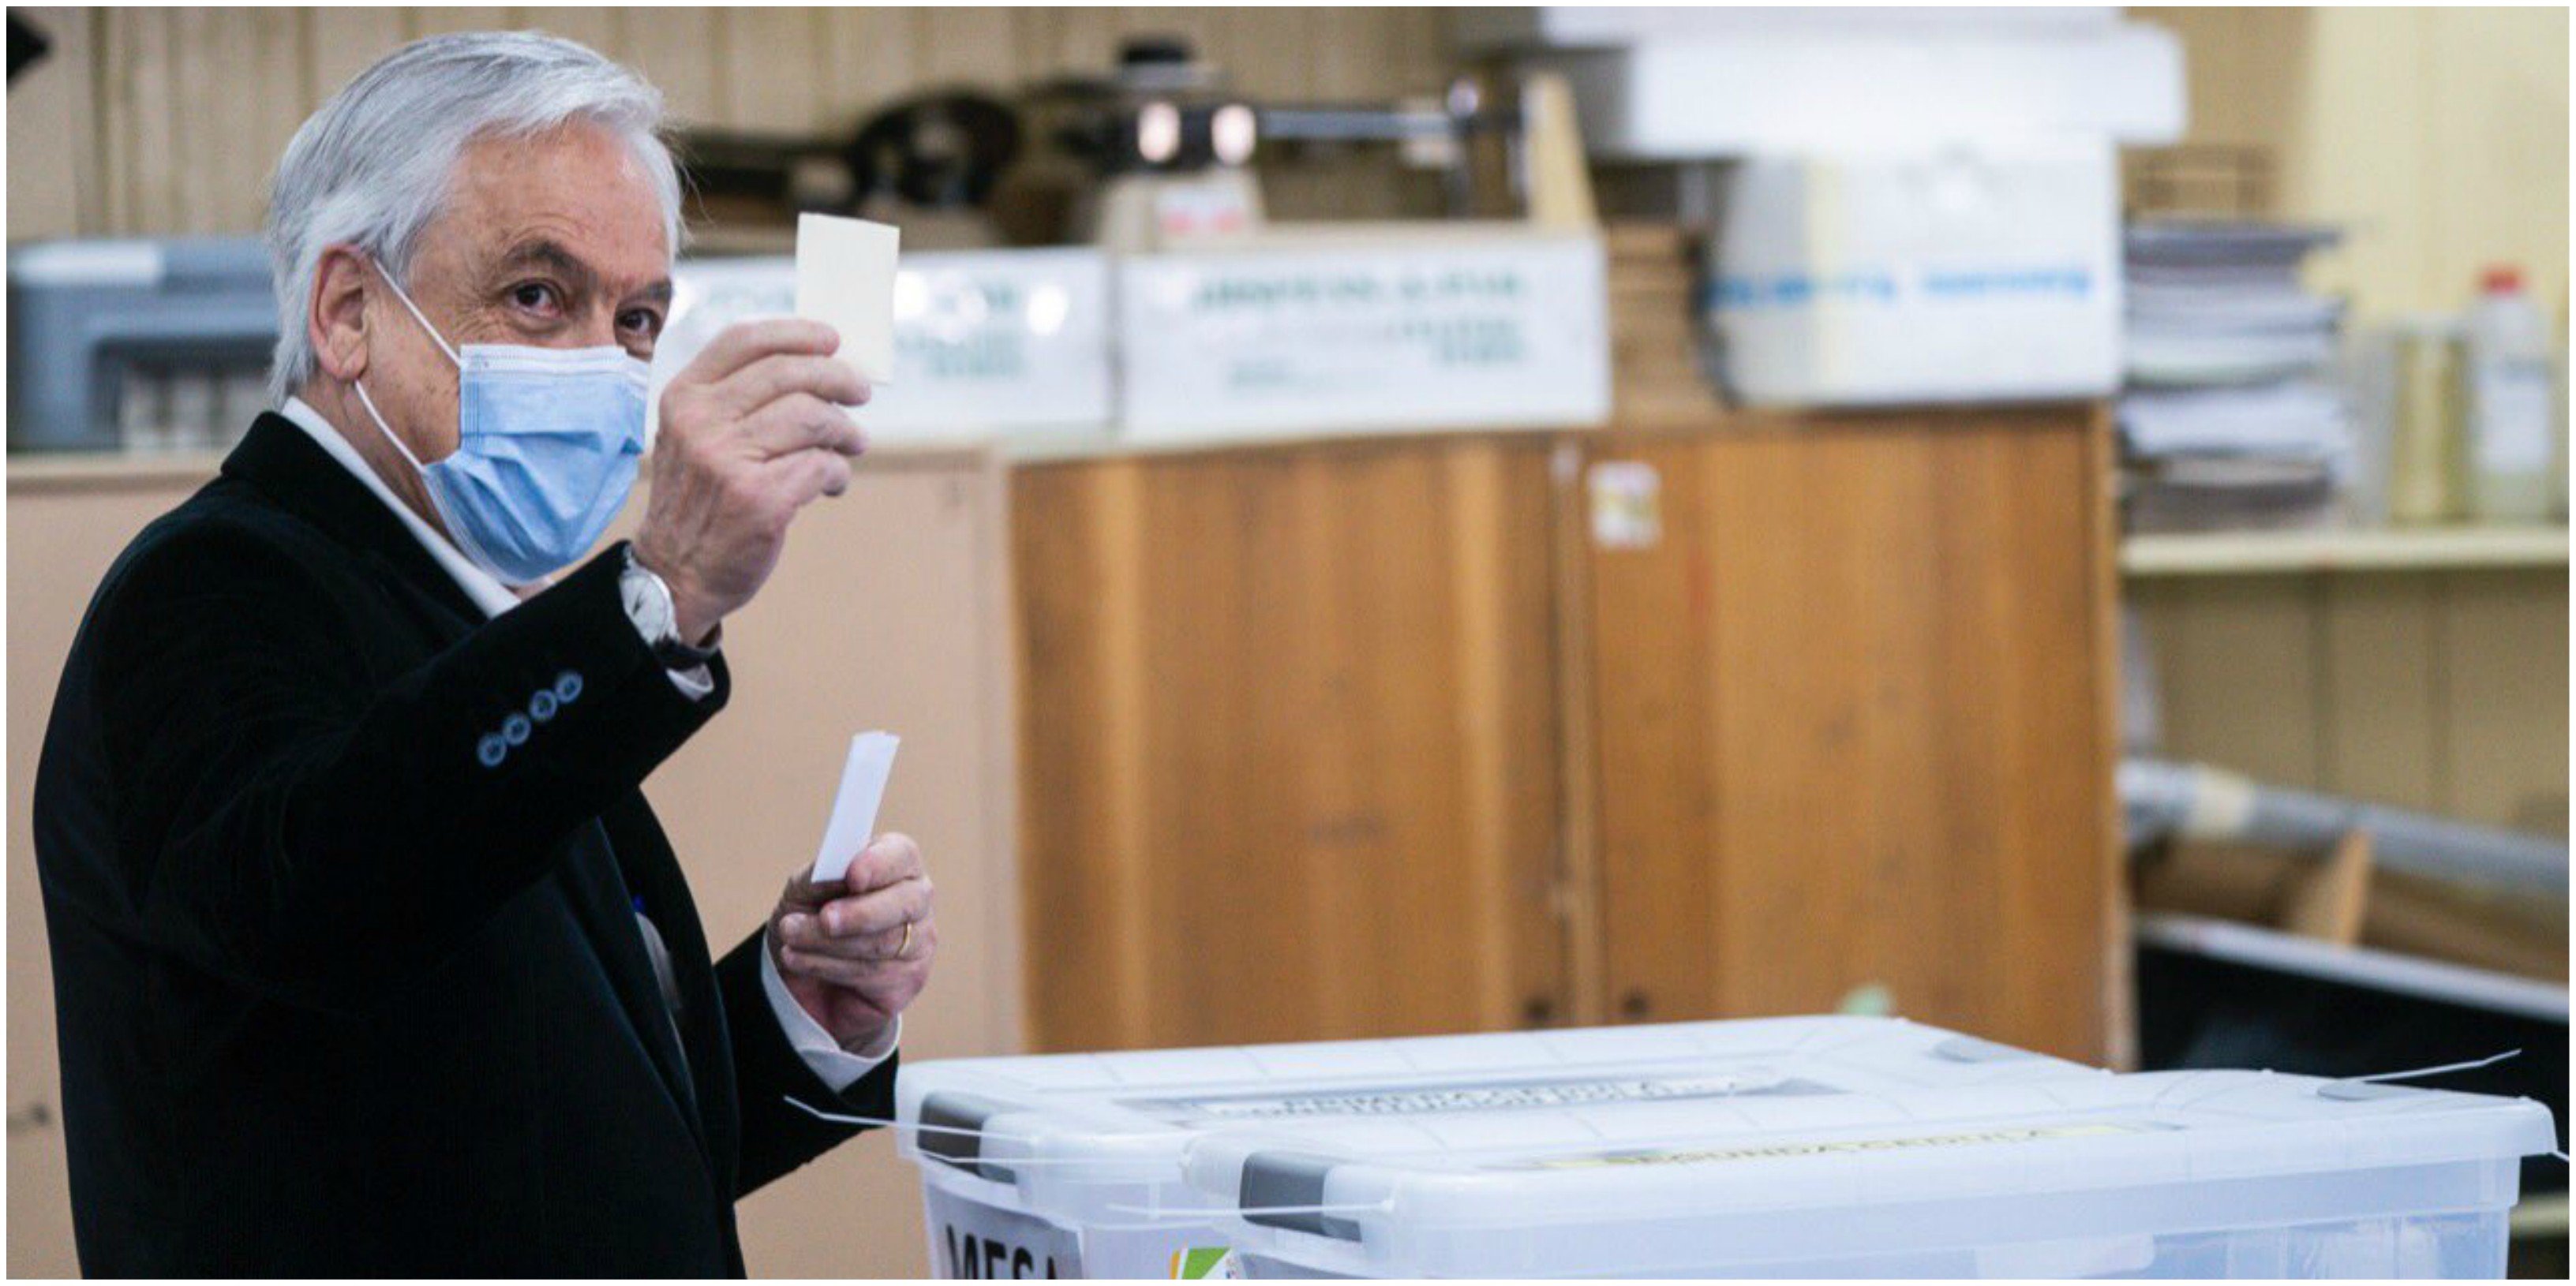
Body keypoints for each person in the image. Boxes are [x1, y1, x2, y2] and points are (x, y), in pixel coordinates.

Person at [32, 32, 935, 1275]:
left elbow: (547, 1137)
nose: (604, 367)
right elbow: (330, 898)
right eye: (535, 296)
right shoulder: (212, 588)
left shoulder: (482, 614)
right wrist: (656, 592)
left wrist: (795, 1017)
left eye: (637, 318)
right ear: (348, 312)